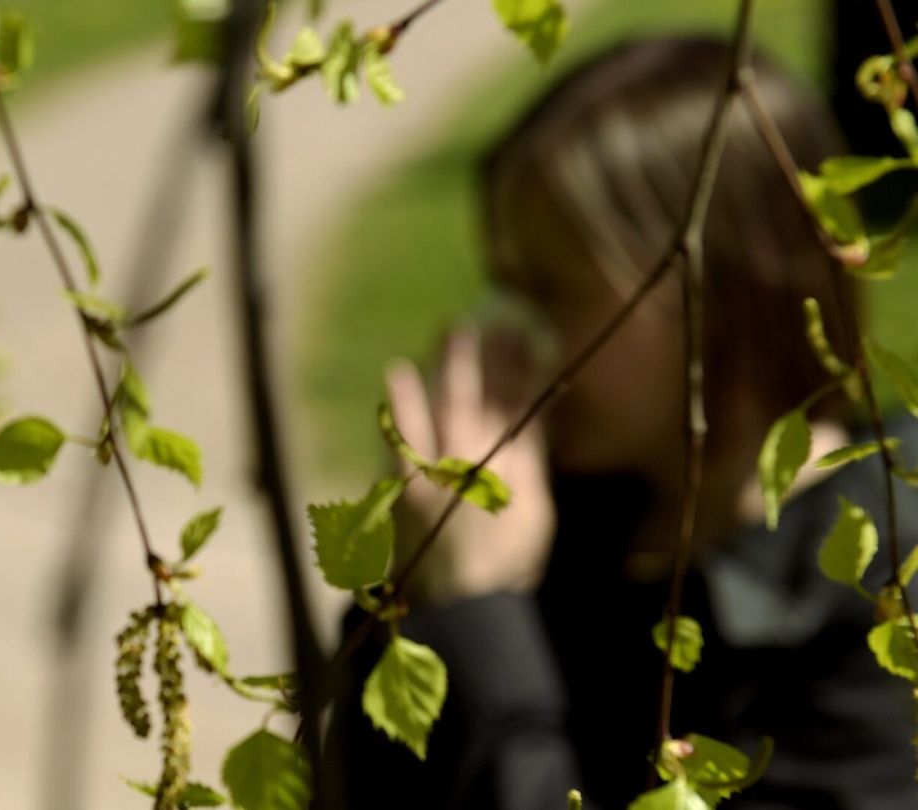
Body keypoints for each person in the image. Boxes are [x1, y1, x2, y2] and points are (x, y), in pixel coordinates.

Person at [326, 37, 918, 808]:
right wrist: (411, 592)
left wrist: (477, 620)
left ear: (721, 296)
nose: (513, 335)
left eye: (552, 291)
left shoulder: (884, 616)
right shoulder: (570, 524)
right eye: (506, 286)